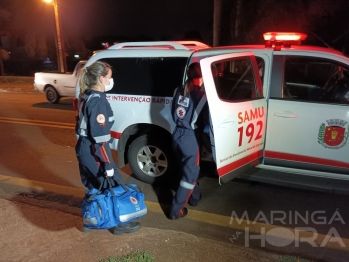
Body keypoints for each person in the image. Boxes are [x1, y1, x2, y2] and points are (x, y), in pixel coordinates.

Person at [75, 61, 140, 234]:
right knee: (113, 184)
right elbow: (100, 140)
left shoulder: (86, 95)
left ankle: (90, 220)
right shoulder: (98, 101)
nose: (112, 80)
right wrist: (108, 164)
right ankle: (120, 224)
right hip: (93, 151)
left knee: (92, 186)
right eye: (109, 77)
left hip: (83, 148)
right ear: (101, 79)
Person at [169, 62, 209, 219]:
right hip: (189, 137)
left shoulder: (178, 90)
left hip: (176, 134)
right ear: (201, 77)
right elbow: (205, 120)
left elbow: (173, 111)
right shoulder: (201, 96)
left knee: (188, 170)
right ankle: (175, 211)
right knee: (189, 175)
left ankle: (194, 197)